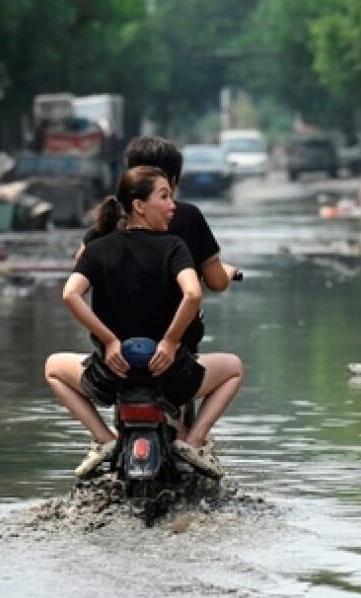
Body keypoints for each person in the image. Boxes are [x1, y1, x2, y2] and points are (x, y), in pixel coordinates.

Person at [44, 166, 244, 479]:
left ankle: (104, 440)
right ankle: (193, 443)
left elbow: (70, 294)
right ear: (139, 205)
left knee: (53, 367)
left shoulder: (96, 249)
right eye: (164, 197)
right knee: (233, 368)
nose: (172, 205)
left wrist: (109, 342)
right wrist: (170, 342)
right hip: (170, 375)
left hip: (113, 375)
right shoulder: (174, 247)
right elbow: (193, 294)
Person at [76, 136, 240, 352]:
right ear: (171, 181)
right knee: (232, 369)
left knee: (57, 369)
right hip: (176, 348)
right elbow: (216, 282)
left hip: (114, 347)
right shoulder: (186, 219)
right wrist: (229, 271)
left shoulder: (108, 216)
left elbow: (79, 269)